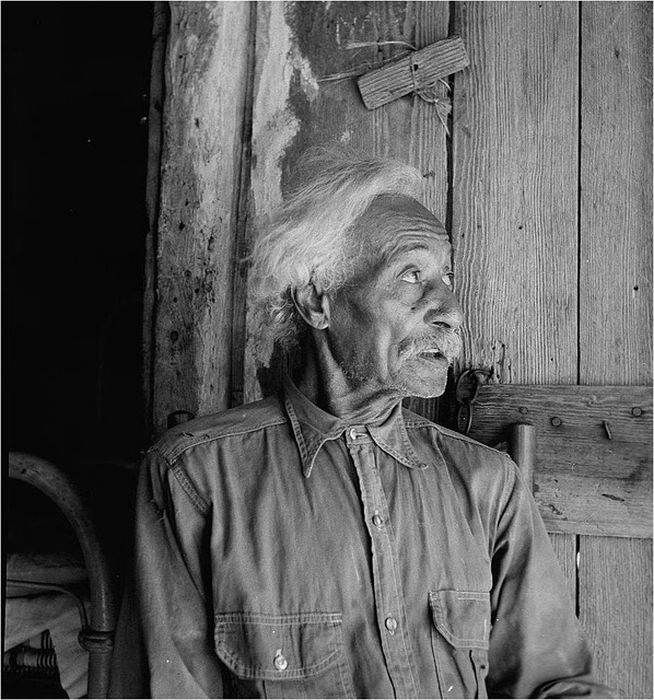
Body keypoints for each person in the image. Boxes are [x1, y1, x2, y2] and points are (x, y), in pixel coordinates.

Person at [110, 154, 612, 698]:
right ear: (316, 301)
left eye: (447, 278)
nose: (451, 310)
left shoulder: (489, 484)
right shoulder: (195, 477)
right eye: (411, 274)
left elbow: (559, 686)